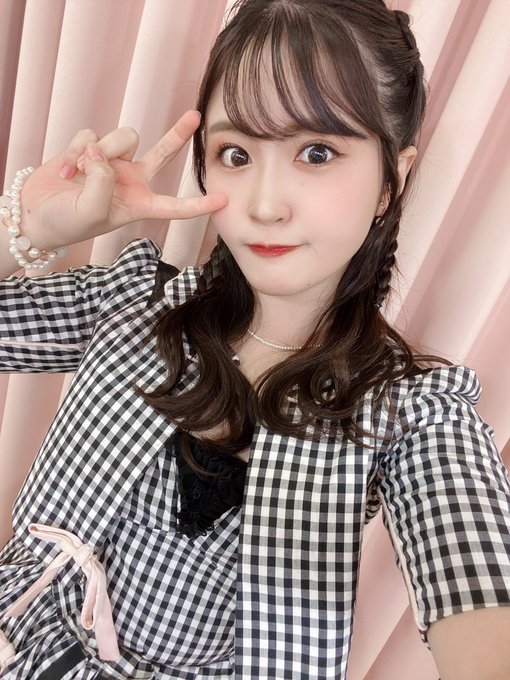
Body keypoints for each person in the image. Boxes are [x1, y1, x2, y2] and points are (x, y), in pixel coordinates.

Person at [0, 0, 509, 678]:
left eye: (317, 152)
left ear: (393, 178)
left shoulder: (407, 411)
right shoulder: (136, 303)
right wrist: (26, 227)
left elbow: (476, 576)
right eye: (236, 154)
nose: (266, 205)